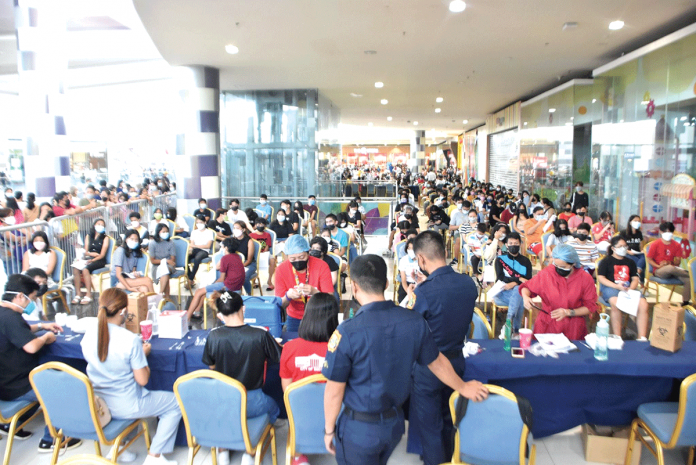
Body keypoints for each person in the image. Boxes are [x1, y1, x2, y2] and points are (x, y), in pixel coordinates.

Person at [322, 254, 488, 465]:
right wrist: (463, 387)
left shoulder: (347, 331)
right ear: (387, 283)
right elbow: (437, 362)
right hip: (394, 424)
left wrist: (329, 431)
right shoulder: (414, 321)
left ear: (353, 287)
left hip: (359, 428)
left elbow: (334, 390)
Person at [81, 288, 181, 465]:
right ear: (123, 311)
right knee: (176, 402)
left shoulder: (89, 334)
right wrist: (143, 357)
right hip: (126, 404)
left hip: (99, 403)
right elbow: (143, 380)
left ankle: (120, 447)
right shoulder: (130, 340)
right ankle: (155, 457)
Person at [407, 230, 480, 465]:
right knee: (450, 419)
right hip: (457, 360)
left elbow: (414, 326)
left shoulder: (424, 292)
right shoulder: (468, 283)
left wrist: (417, 293)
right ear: (444, 252)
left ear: (420, 259)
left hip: (430, 366)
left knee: (430, 426)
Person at [0, 274, 82, 452]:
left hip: (4, 382)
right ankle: (52, 439)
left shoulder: (5, 314)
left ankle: (12, 425)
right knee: (63, 382)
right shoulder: (11, 317)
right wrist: (45, 337)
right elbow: (31, 347)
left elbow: (18, 331)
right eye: (33, 298)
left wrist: (40, 326)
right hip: (16, 385)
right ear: (21, 296)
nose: (34, 302)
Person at [203, 290, 282, 465]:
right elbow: (280, 357)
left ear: (220, 315)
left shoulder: (214, 336)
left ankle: (222, 451)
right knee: (275, 408)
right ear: (243, 309)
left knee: (229, 412)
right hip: (253, 402)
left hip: (224, 402)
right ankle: (250, 451)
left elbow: (211, 366)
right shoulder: (260, 335)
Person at [520, 244, 598, 340]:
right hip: (547, 325)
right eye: (556, 265)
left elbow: (590, 307)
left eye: (563, 266)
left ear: (573, 263)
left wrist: (568, 312)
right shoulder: (547, 274)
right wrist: (526, 297)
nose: (558, 269)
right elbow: (527, 287)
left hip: (573, 327)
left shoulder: (585, 279)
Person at [275, 235, 333, 332]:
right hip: (294, 317)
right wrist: (288, 296)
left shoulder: (321, 266)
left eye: (301, 257)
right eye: (293, 259)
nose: (297, 261)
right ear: (287, 256)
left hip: (318, 315)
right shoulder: (281, 269)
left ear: (308, 252)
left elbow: (330, 299)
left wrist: (315, 292)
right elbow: (280, 305)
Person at [280, 292, 338, 389]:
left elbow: (287, 391)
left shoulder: (288, 348)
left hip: (297, 404)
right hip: (332, 403)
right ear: (333, 319)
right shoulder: (340, 350)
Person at [597, 236, 649, 340]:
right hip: (611, 287)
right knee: (617, 304)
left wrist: (631, 288)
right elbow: (601, 278)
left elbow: (634, 278)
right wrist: (616, 286)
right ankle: (617, 336)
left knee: (643, 304)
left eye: (625, 246)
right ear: (613, 248)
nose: (623, 248)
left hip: (628, 288)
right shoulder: (606, 261)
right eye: (620, 246)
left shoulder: (630, 262)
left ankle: (642, 337)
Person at [187, 238, 244, 322]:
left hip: (229, 285)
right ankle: (197, 311)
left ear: (226, 248)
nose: (222, 248)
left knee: (199, 291)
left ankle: (187, 317)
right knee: (204, 290)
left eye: (223, 247)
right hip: (237, 286)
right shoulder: (237, 257)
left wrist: (212, 285)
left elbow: (221, 279)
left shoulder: (225, 258)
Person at [494, 233, 533, 337]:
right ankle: (516, 331)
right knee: (519, 293)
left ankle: (509, 321)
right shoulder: (500, 260)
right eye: (511, 243)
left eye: (516, 243)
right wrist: (519, 279)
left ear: (520, 244)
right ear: (506, 245)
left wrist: (514, 283)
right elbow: (500, 278)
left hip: (518, 294)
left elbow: (529, 281)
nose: (513, 245)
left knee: (518, 291)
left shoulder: (526, 261)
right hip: (501, 294)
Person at [647, 221, 691, 306]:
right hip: (659, 270)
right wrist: (658, 266)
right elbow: (649, 259)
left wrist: (669, 262)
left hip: (673, 270)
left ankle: (685, 303)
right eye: (666, 232)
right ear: (661, 232)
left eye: (670, 232)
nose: (668, 234)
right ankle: (690, 274)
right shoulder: (655, 244)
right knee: (671, 268)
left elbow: (678, 262)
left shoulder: (677, 245)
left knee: (688, 280)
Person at [71, 219, 110, 305]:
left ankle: (89, 294)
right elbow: (86, 251)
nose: (100, 225)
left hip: (99, 260)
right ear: (94, 225)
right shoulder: (88, 236)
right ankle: (78, 293)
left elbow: (102, 254)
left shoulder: (106, 238)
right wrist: (92, 254)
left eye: (102, 225)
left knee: (85, 269)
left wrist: (93, 259)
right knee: (75, 268)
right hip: (88, 258)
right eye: (98, 224)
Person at [149, 224, 176, 300]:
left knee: (165, 270)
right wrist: (165, 260)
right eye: (163, 231)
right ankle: (167, 296)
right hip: (157, 266)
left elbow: (172, 259)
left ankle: (160, 294)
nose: (165, 233)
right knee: (165, 272)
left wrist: (166, 262)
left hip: (169, 266)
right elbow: (153, 260)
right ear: (158, 232)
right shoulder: (152, 243)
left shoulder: (171, 243)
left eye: (167, 231)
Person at [187, 214, 214, 283]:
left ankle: (190, 279)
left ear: (205, 222)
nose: (199, 224)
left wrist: (195, 246)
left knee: (197, 258)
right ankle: (190, 276)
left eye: (201, 222)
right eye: (197, 223)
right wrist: (194, 246)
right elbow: (191, 244)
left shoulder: (209, 232)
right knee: (185, 258)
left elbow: (208, 246)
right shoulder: (194, 232)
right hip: (195, 250)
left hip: (204, 251)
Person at [231, 221, 256, 295]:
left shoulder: (249, 241)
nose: (235, 230)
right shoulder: (232, 240)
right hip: (236, 263)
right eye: (234, 228)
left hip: (248, 264)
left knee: (243, 277)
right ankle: (235, 294)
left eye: (237, 228)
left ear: (244, 229)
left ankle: (249, 294)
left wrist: (240, 266)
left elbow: (249, 260)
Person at [397, 238, 420, 303]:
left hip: (419, 284)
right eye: (409, 248)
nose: (411, 250)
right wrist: (409, 292)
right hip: (407, 285)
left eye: (413, 248)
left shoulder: (421, 259)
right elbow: (403, 280)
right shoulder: (403, 260)